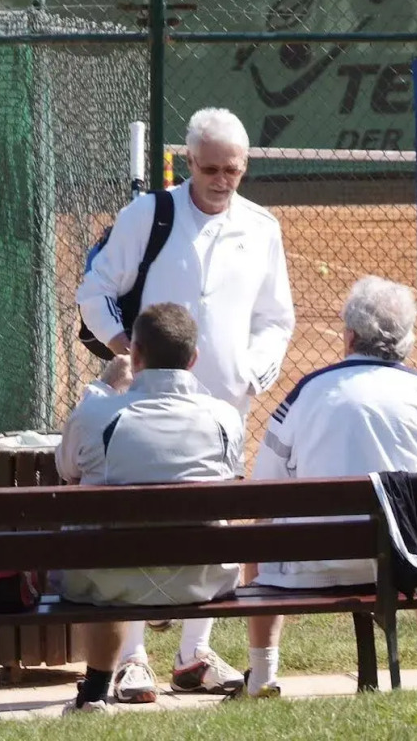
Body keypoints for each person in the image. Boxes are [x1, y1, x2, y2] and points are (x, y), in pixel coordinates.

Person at [75, 106, 295, 699]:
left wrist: (254, 372)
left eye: (234, 170)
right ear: (188, 162)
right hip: (148, 400)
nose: (222, 181)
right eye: (211, 169)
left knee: (214, 521)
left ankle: (195, 652)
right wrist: (129, 353)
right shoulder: (149, 214)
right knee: (140, 515)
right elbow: (94, 289)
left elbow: (276, 317)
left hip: (226, 404)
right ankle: (135, 657)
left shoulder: (262, 227)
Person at [238, 276, 417, 697]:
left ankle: (262, 676)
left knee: (262, 535)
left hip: (308, 566)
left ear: (349, 336)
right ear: (406, 341)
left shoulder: (307, 393)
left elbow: (266, 486)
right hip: (408, 567)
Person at [54, 304, 246, 713]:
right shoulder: (225, 418)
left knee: (102, 550)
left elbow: (65, 468)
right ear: (193, 360)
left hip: (109, 579)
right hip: (203, 578)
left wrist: (105, 384)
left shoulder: (96, 413)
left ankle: (95, 693)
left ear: (135, 356)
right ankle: (192, 651)